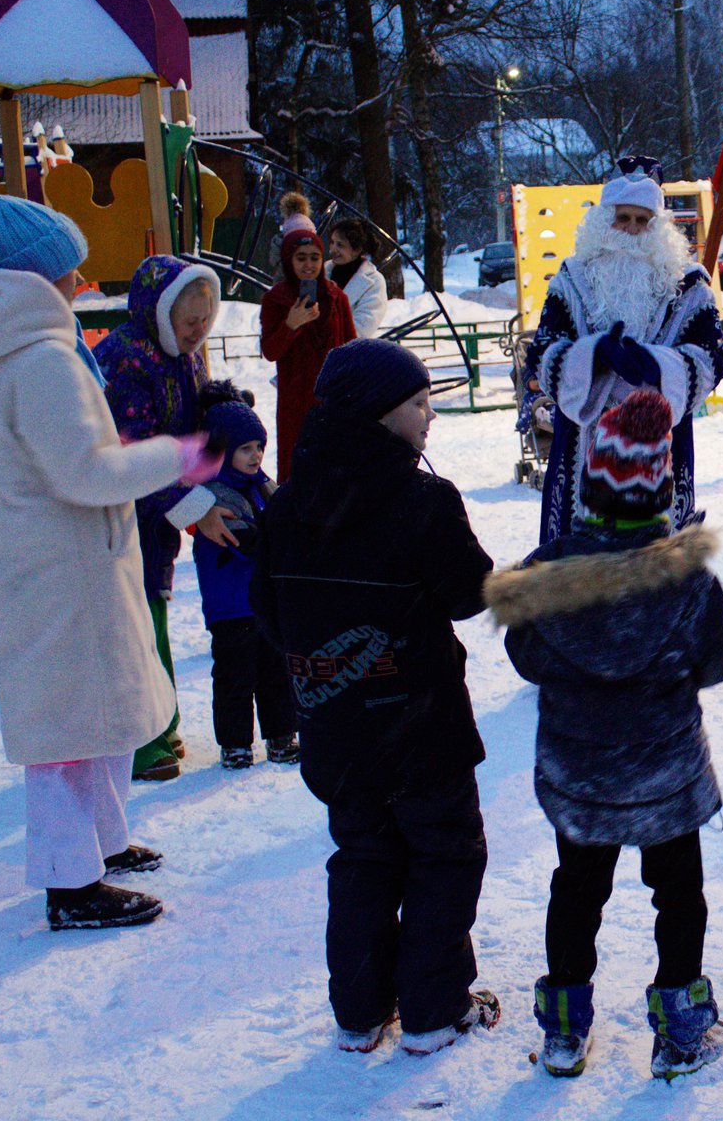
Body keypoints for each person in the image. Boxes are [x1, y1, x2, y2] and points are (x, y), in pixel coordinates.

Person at [0, 196, 220, 930]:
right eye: (71, 265)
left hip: (57, 567)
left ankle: (102, 844)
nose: (83, 277)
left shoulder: (11, 351)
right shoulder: (40, 360)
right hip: (64, 571)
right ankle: (70, 882)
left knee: (98, 715)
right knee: (66, 730)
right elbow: (85, 472)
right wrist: (174, 458)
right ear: (43, 277)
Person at [251, 339, 499, 1055]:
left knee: (362, 857)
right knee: (444, 855)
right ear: (376, 412)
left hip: (336, 727)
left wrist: (329, 662)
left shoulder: (288, 503)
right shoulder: (420, 498)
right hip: (420, 729)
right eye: (418, 402)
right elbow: (467, 593)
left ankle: (359, 1013)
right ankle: (432, 1008)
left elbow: (268, 610)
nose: (430, 416)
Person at [486, 389, 723, 1081]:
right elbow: (718, 663)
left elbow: (528, 657)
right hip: (665, 777)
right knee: (678, 895)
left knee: (576, 890)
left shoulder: (547, 575)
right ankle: (682, 1030)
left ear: (588, 487)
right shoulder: (687, 581)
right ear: (662, 493)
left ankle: (565, 1031)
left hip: (581, 776)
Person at [520, 158, 723, 542]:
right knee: (579, 565)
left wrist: (658, 365)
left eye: (642, 220)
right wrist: (593, 355)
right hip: (584, 443)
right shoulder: (572, 278)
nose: (632, 230)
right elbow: (543, 352)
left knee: (658, 569)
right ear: (604, 222)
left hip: (660, 445)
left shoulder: (690, 285)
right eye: (623, 218)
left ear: (658, 227)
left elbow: (714, 355)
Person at [95, 254, 227, 781]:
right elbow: (138, 450)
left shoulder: (182, 354)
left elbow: (189, 423)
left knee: (155, 612)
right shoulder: (127, 359)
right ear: (159, 312)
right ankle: (141, 737)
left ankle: (160, 722)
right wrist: (196, 508)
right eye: (190, 321)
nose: (199, 331)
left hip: (158, 517)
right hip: (121, 513)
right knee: (137, 621)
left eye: (206, 321)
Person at [191, 383, 297, 771]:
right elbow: (246, 541)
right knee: (235, 677)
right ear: (222, 452)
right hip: (230, 604)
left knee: (275, 671)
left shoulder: (262, 486)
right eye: (245, 449)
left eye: (259, 447)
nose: (255, 456)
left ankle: (282, 733)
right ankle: (235, 742)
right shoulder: (215, 496)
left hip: (264, 601)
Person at [261, 221, 358, 481]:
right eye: (301, 258)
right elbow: (270, 351)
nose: (308, 265)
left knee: (335, 472)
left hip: (333, 400)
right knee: (298, 471)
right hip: (296, 401)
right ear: (288, 260)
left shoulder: (337, 298)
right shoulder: (276, 299)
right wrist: (291, 324)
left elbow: (352, 348)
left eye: (315, 258)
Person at [328, 216, 390, 340]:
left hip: (347, 353)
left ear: (356, 249)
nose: (333, 249)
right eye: (332, 242)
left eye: (340, 245)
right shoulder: (322, 271)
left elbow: (362, 328)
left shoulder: (374, 283)